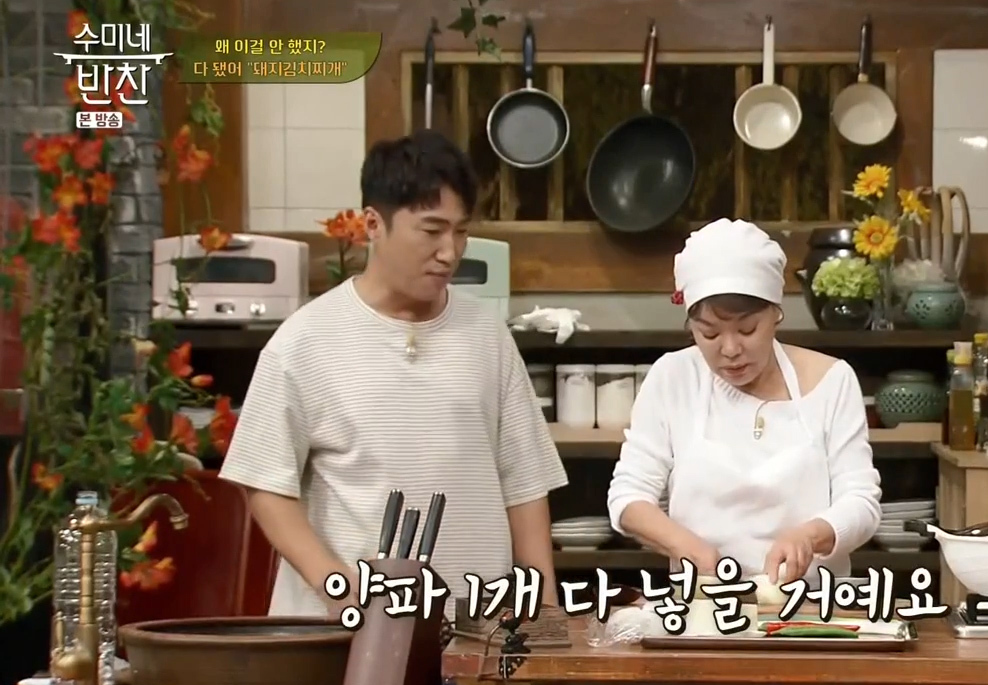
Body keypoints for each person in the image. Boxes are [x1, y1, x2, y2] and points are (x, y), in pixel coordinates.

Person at [219, 130, 567, 617]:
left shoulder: (486, 334)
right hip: (344, 631)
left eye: (460, 232)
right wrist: (335, 584)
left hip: (472, 627)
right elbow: (265, 484)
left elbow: (525, 484)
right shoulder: (304, 340)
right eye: (431, 230)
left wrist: (544, 610)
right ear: (373, 225)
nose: (450, 251)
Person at [606, 218, 882, 584]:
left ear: (775, 314)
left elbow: (861, 501)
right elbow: (628, 496)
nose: (730, 349)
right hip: (704, 600)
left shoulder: (832, 380)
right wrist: (689, 548)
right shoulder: (673, 378)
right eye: (709, 333)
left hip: (811, 604)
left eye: (748, 329)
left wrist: (810, 535)